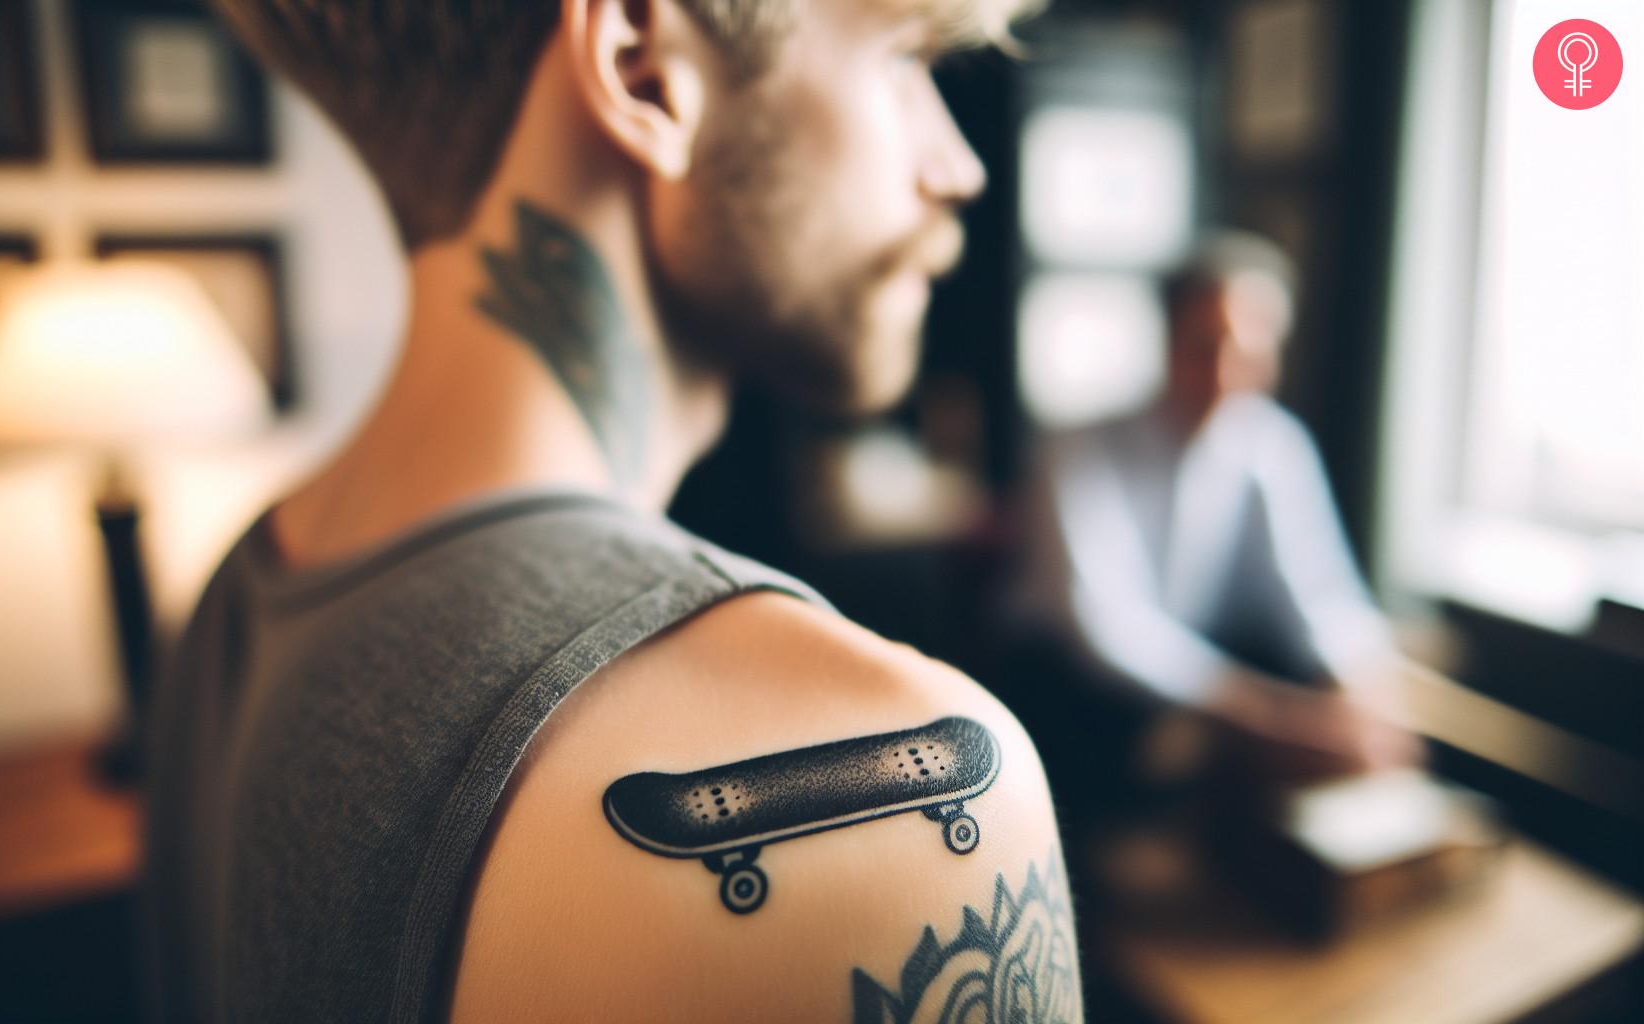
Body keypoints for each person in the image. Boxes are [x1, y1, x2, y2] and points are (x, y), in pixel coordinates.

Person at [145, 2, 1080, 1023]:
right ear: (642, 70)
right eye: (908, 60)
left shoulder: (241, 590)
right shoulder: (906, 784)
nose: (957, 166)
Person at [1012, 231, 1418, 800]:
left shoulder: (1274, 444)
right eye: (1205, 346)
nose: (1226, 375)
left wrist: (1363, 689)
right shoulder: (1079, 447)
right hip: (1072, 691)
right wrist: (1273, 715)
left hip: (1204, 681)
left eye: (1250, 353)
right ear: (1168, 340)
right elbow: (1105, 628)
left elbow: (1320, 591)